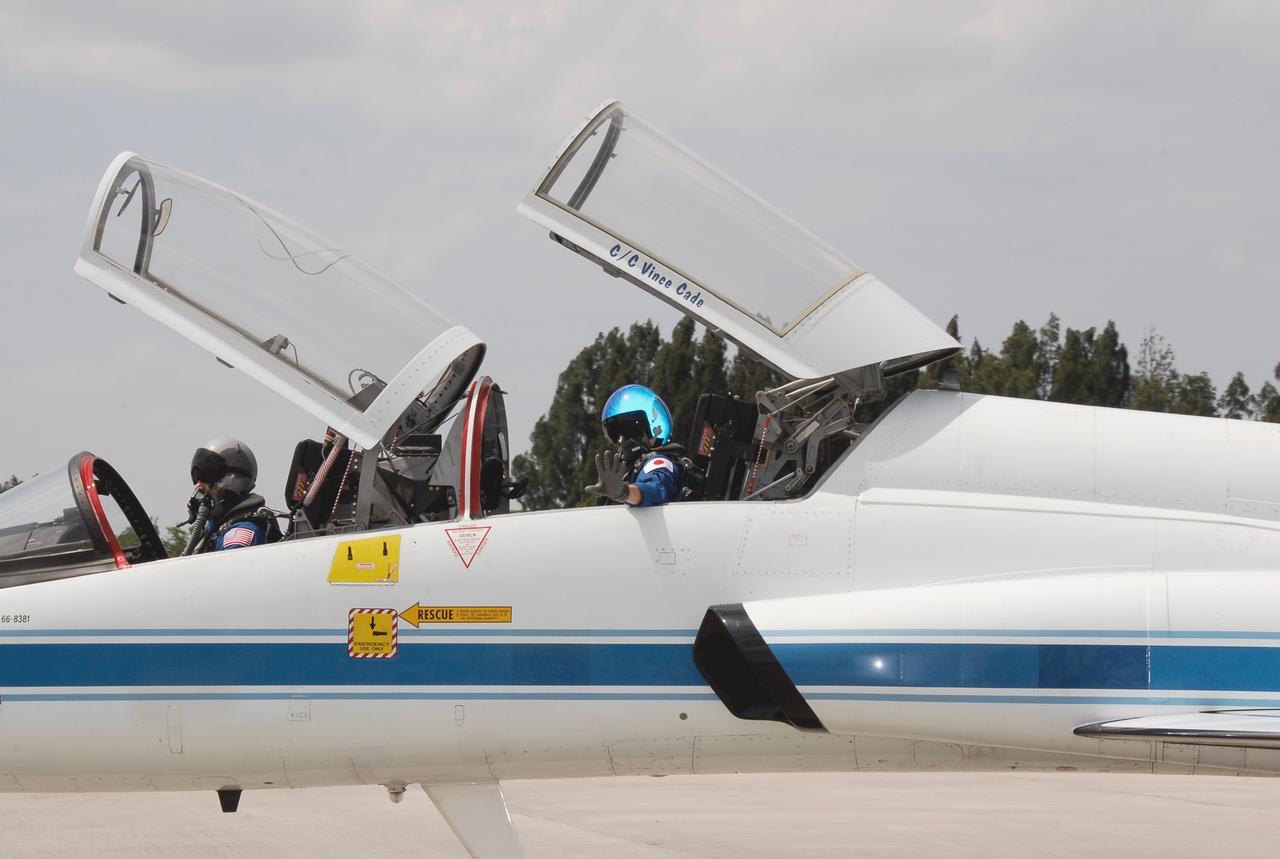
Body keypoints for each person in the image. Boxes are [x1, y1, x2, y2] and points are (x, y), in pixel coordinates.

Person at [586, 384, 685, 507]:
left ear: (649, 431)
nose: (623, 441)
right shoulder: (624, 474)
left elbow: (656, 489)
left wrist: (624, 493)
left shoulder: (658, 461)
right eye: (617, 434)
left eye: (629, 432)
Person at [184, 438, 276, 554]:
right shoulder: (213, 530)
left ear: (230, 481)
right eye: (195, 478)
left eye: (205, 477)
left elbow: (226, 570)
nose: (198, 486)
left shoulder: (241, 532)